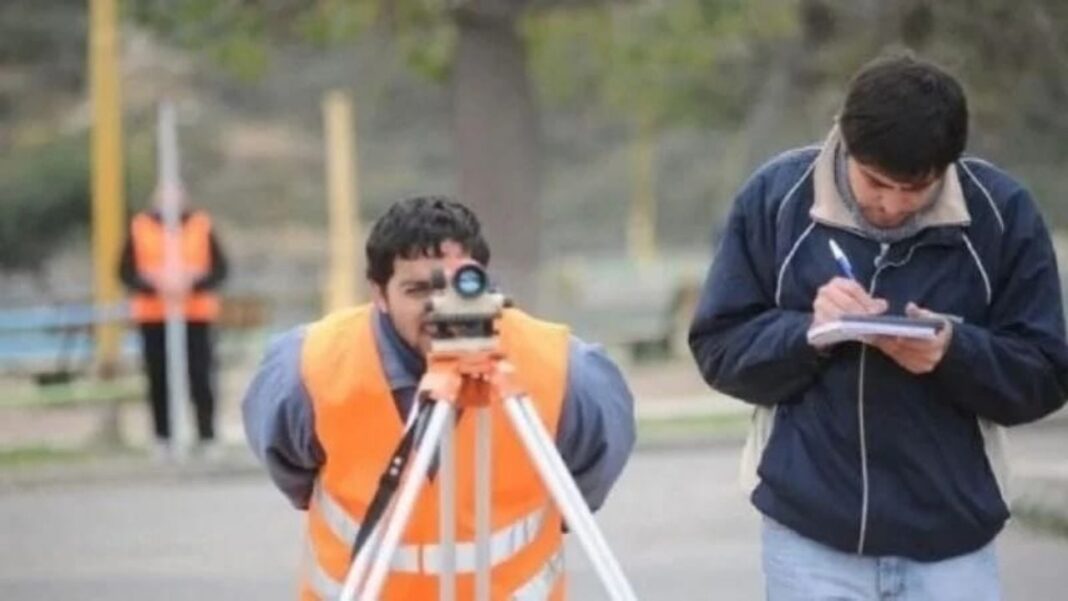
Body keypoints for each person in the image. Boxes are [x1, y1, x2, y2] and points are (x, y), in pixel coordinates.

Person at [688, 54, 1068, 600]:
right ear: (844, 139)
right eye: (876, 182)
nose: (892, 204)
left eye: (916, 188)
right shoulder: (774, 200)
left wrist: (952, 353)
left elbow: (1046, 376)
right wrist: (808, 334)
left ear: (949, 163)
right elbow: (718, 349)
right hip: (810, 537)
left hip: (954, 540)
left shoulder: (1004, 214)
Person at [242, 196, 636, 600]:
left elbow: (588, 481)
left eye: (456, 286)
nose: (440, 309)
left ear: (483, 278)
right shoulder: (307, 367)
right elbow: (289, 466)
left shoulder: (566, 370)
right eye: (417, 290)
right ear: (379, 293)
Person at [119, 182, 228, 458]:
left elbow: (220, 269)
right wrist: (154, 283)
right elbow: (125, 272)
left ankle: (207, 436)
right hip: (154, 316)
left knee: (200, 377)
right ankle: (162, 438)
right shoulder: (139, 227)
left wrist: (193, 280)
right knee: (158, 378)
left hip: (195, 314)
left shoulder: (201, 226)